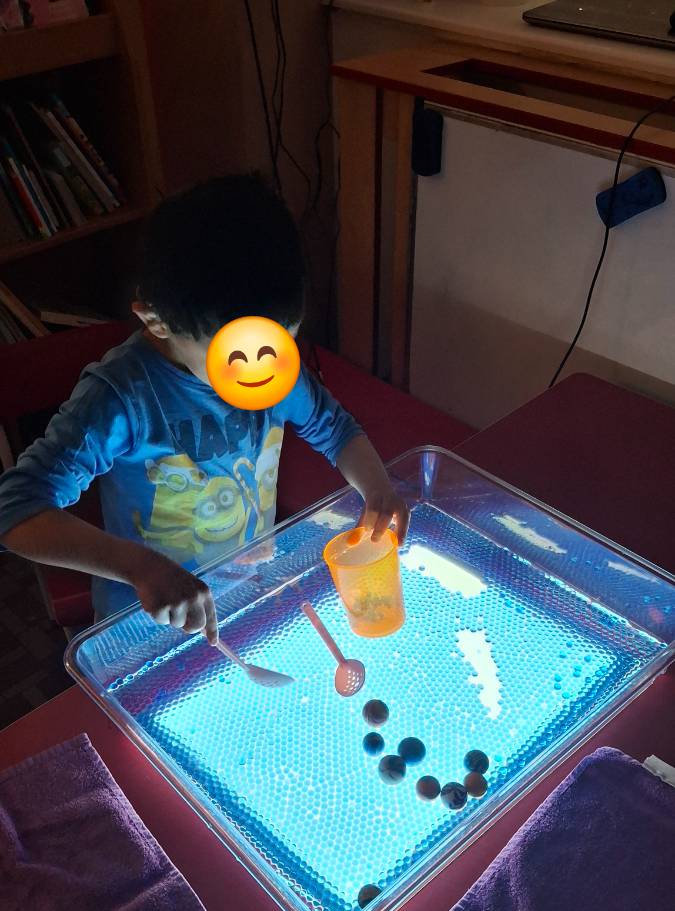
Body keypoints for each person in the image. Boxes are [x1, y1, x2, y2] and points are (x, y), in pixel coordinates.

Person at [0, 175, 408, 644]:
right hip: (146, 624)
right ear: (156, 320)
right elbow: (17, 509)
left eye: (281, 341)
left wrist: (377, 488)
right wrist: (141, 567)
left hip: (246, 597)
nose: (260, 371)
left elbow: (334, 429)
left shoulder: (272, 367)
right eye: (234, 357)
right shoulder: (122, 397)